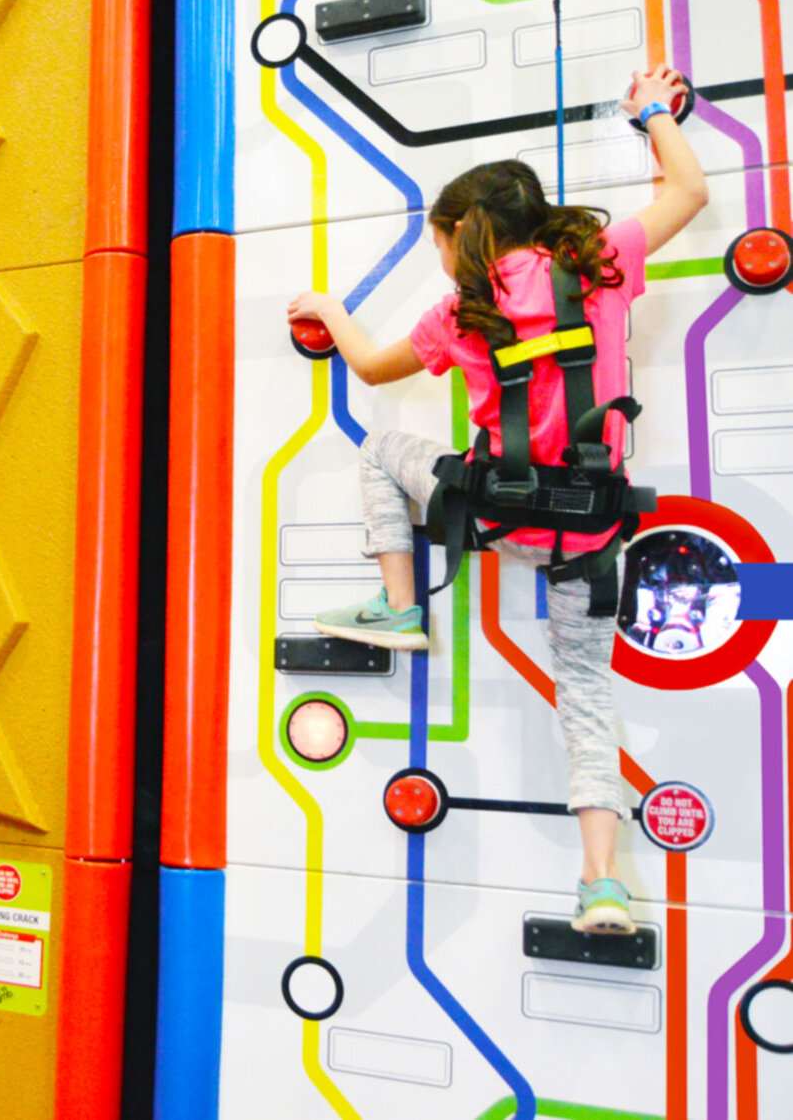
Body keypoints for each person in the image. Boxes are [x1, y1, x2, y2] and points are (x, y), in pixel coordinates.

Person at [284, 67, 708, 936]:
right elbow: (691, 190)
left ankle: (402, 608)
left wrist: (330, 306)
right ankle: (602, 886)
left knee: (382, 453)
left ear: (456, 234)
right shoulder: (601, 261)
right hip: (590, 529)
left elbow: (369, 369)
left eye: (438, 239)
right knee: (585, 692)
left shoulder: (458, 310)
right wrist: (653, 115)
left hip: (496, 512)